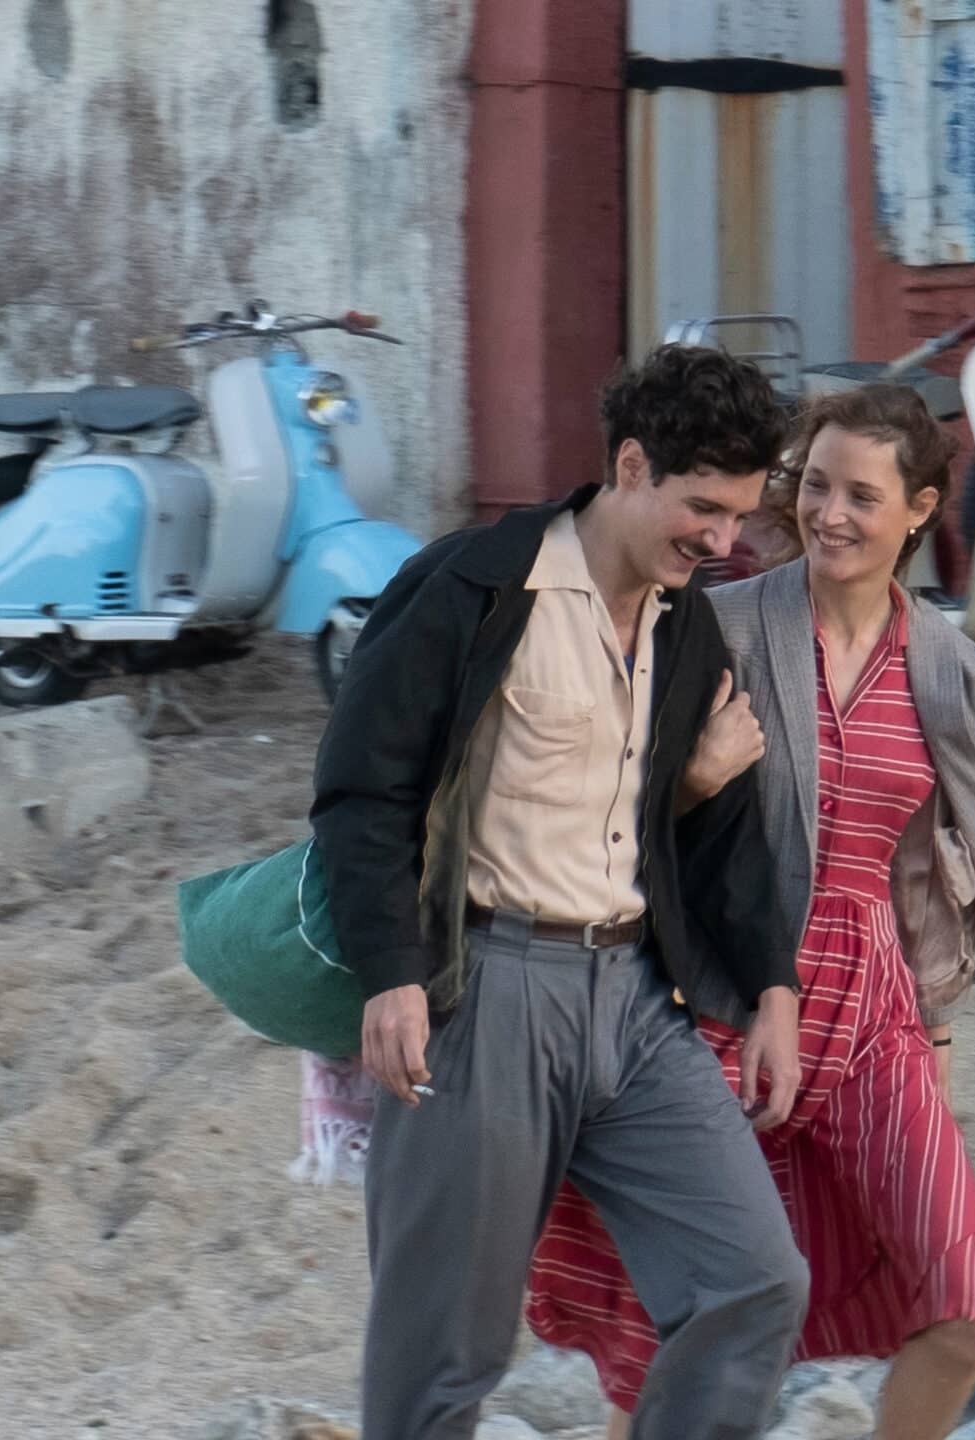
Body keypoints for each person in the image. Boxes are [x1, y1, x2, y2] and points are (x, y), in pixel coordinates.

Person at [308, 344, 814, 1440]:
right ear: (630, 465)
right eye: (702, 510)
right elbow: (362, 793)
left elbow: (722, 823)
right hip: (482, 999)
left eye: (737, 517)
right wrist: (390, 977)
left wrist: (772, 986)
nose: (723, 543)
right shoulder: (473, 586)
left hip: (635, 1005)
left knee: (752, 1280)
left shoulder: (689, 625)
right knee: (440, 1359)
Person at [524, 383, 975, 1440]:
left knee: (965, 1303)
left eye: (862, 495)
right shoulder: (719, 624)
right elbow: (612, 798)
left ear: (922, 509)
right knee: (677, 1322)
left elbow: (926, 869)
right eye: (815, 486)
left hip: (876, 1008)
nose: (828, 513)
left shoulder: (947, 661)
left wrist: (934, 1029)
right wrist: (694, 781)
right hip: (721, 991)